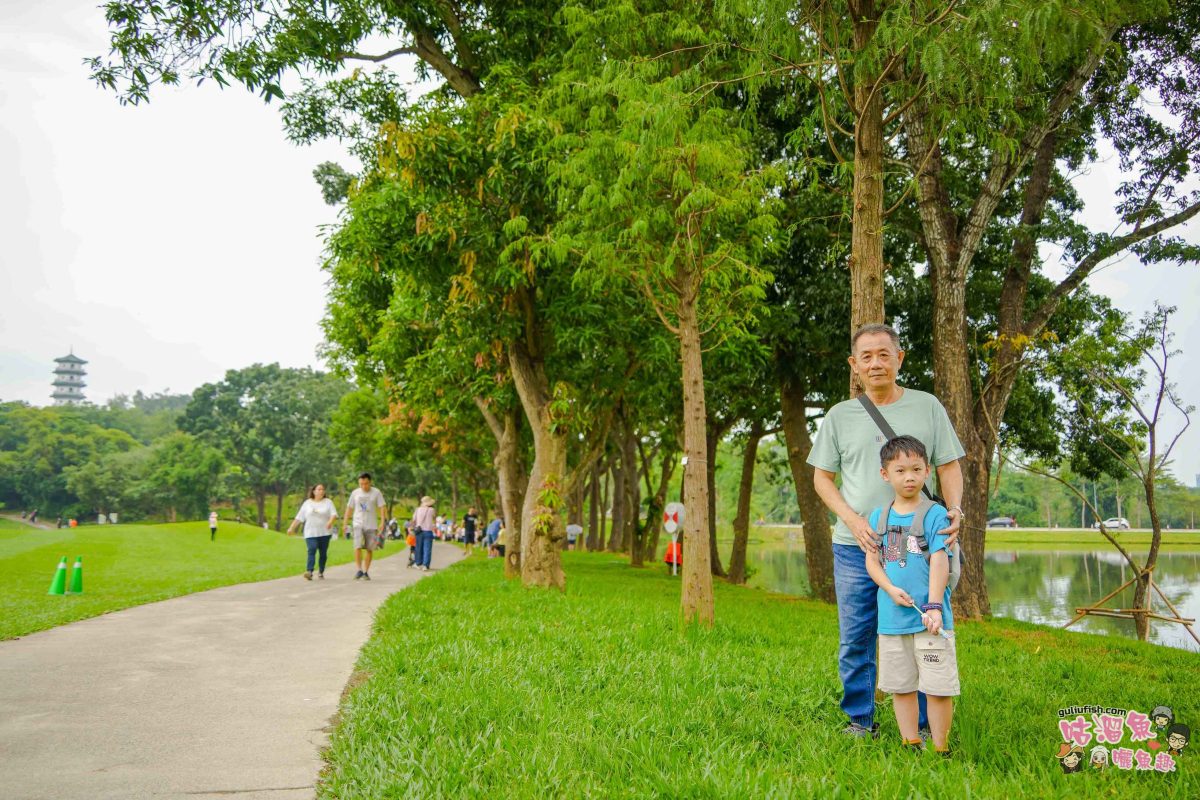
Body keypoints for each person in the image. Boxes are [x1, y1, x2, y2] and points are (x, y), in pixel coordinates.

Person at [807, 323, 965, 741]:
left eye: (883, 354)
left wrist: (954, 510)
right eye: (866, 357)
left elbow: (948, 464)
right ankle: (860, 719)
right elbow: (822, 478)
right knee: (857, 635)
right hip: (856, 545)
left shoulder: (927, 406)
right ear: (853, 365)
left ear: (900, 358)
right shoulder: (839, 416)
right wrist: (854, 520)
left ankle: (930, 722)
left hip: (917, 544)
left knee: (924, 625)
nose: (875, 363)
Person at [864, 436, 959, 754]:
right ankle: (911, 742)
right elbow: (873, 562)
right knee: (900, 686)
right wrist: (889, 589)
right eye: (900, 470)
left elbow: (940, 561)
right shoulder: (878, 517)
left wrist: (933, 606)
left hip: (930, 619)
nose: (909, 477)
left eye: (916, 469)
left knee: (937, 686)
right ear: (885, 474)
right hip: (892, 620)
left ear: (927, 471)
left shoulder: (935, 515)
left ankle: (941, 748)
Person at [287, 484, 337, 580]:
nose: (321, 491)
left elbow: (334, 514)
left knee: (323, 553)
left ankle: (321, 571)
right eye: (319, 489)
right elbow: (299, 517)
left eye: (323, 489)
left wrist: (330, 522)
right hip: (310, 532)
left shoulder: (328, 502)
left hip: (325, 532)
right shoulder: (307, 503)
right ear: (314, 491)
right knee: (312, 549)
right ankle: (309, 571)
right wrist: (291, 528)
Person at [343, 472, 387, 581]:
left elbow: (382, 507)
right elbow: (349, 508)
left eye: (366, 484)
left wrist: (382, 521)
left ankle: (366, 571)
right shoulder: (355, 493)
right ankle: (359, 570)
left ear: (370, 482)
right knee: (357, 546)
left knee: (369, 548)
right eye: (361, 484)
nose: (363, 486)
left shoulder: (376, 492)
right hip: (357, 523)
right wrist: (345, 523)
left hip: (371, 524)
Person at [411, 496, 437, 571]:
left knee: (418, 548)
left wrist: (412, 528)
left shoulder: (417, 510)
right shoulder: (432, 510)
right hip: (428, 531)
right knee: (427, 549)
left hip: (419, 531)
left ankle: (418, 563)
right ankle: (425, 565)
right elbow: (434, 519)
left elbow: (414, 520)